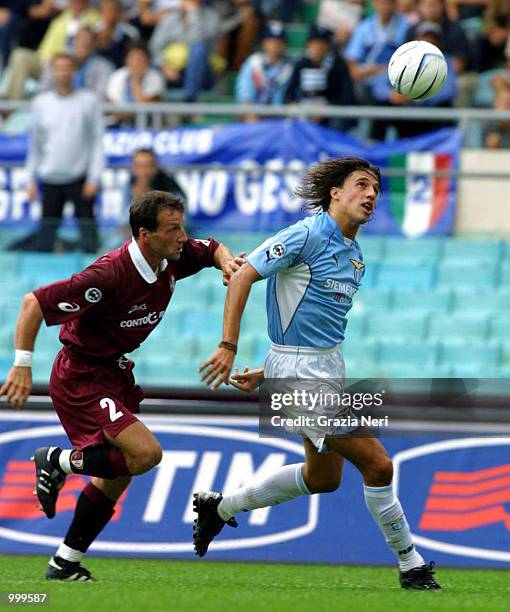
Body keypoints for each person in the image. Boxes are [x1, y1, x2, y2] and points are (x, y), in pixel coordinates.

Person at [194, 157, 442, 591]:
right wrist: (231, 347)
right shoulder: (306, 234)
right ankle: (411, 563)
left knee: (323, 478)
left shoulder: (354, 254)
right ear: (335, 192)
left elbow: (304, 316)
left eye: (376, 190)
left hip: (321, 367)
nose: (371, 195)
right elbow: (241, 277)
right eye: (362, 185)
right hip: (299, 371)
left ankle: (220, 508)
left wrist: (270, 370)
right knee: (379, 465)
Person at [0, 190, 245, 581]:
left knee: (120, 473)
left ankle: (65, 562)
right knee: (146, 455)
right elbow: (33, 303)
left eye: (182, 227)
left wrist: (227, 262)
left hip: (113, 373)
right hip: (81, 375)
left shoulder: (170, 258)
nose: (183, 237)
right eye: (173, 229)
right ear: (145, 235)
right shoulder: (108, 275)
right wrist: (22, 365)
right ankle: (58, 461)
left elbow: (213, 248)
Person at [9, 52, 104, 253]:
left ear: (75, 72)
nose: (64, 73)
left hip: (80, 178)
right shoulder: (41, 103)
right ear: (52, 72)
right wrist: (30, 180)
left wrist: (94, 177)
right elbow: (36, 145)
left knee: (90, 242)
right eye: (59, 68)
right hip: (50, 178)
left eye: (68, 68)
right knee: (45, 241)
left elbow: (97, 141)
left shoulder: (89, 101)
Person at [284, 24, 356, 130]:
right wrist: (296, 107)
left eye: (322, 43)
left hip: (331, 114)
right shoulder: (301, 64)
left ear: (328, 46)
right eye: (315, 43)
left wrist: (326, 107)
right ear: (308, 44)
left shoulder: (339, 65)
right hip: (305, 112)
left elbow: (346, 96)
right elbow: (289, 94)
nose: (318, 47)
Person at [235, 22, 293, 110]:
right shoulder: (253, 63)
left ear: (285, 44)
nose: (275, 45)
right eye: (271, 41)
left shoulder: (291, 66)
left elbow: (293, 99)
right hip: (255, 118)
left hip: (282, 119)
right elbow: (245, 98)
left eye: (279, 41)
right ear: (264, 43)